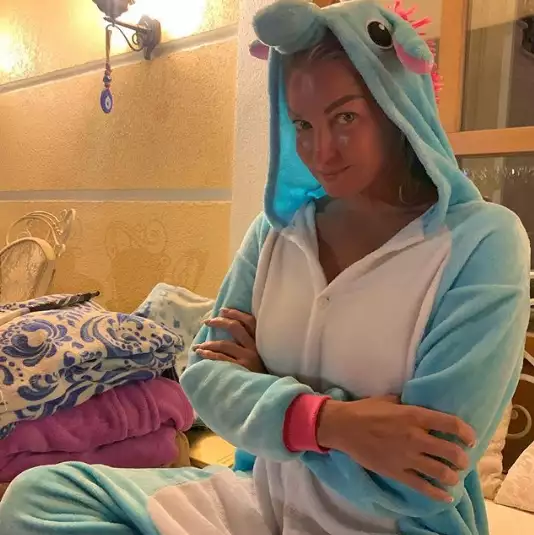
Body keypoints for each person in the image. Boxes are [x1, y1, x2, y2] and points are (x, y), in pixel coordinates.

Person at [0, 1, 529, 534]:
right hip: (263, 501)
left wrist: (263, 393)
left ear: (397, 106)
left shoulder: (483, 242)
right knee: (38, 497)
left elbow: (426, 472)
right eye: (302, 124)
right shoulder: (276, 232)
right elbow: (204, 380)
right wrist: (328, 423)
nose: (321, 151)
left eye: (345, 117)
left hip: (390, 526)